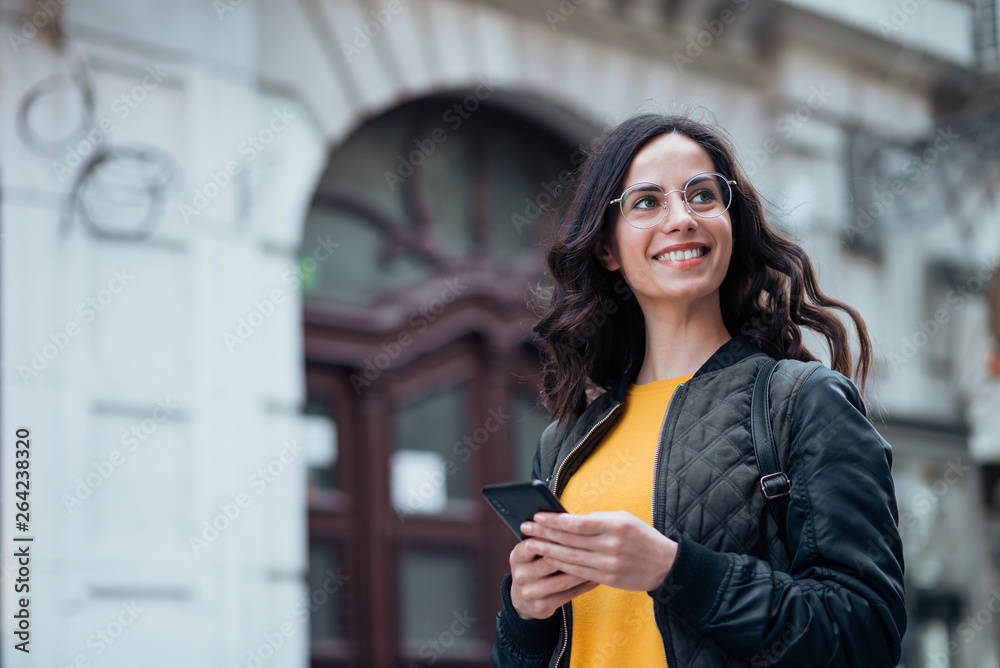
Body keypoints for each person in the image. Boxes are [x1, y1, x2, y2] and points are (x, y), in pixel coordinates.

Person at [490, 113, 906, 667]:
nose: (682, 218)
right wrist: (524, 615)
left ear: (730, 223)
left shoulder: (804, 402)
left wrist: (673, 570)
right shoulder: (566, 441)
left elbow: (864, 633)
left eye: (702, 195)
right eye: (647, 202)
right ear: (608, 250)